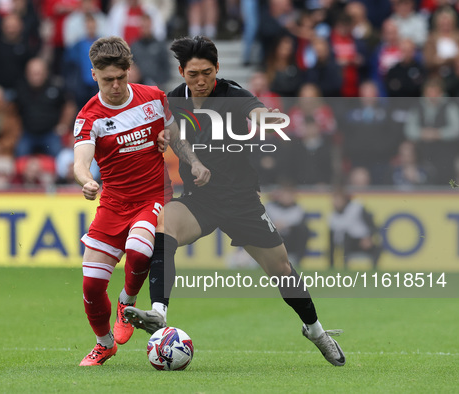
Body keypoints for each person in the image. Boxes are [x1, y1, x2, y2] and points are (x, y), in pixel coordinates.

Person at [125, 36, 346, 367]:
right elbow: (160, 133)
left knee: (282, 270)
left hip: (242, 201)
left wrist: (263, 118)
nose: (201, 81)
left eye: (207, 73)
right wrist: (159, 139)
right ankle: (158, 312)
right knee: (163, 222)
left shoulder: (233, 94)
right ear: (182, 71)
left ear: (218, 68)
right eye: (193, 74)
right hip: (200, 199)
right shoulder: (172, 102)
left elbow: (256, 111)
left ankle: (315, 331)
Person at [73, 36, 208, 366]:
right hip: (114, 203)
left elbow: (174, 137)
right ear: (94, 75)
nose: (116, 85)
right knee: (91, 286)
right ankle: (103, 344)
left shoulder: (153, 98)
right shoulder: (89, 117)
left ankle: (126, 300)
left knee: (139, 249)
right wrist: (87, 181)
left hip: (153, 196)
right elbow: (80, 160)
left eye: (121, 77)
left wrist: (194, 162)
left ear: (129, 70)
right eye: (108, 80)